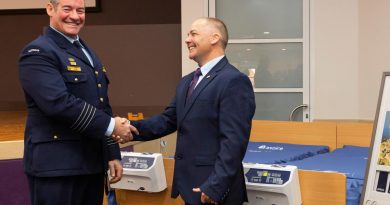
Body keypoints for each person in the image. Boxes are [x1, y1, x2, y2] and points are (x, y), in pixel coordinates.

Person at [18, 0, 136, 204]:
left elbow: (101, 104)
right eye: (67, 9)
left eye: (80, 10)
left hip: (90, 164)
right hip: (56, 167)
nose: (75, 16)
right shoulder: (38, 52)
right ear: (50, 9)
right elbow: (58, 103)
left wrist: (111, 153)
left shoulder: (86, 51)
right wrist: (112, 126)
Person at [128, 17, 256, 205]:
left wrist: (216, 185)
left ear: (214, 38)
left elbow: (234, 141)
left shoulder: (233, 81)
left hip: (215, 190)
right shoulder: (187, 81)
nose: (187, 39)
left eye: (193, 34)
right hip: (189, 187)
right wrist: (128, 128)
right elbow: (167, 120)